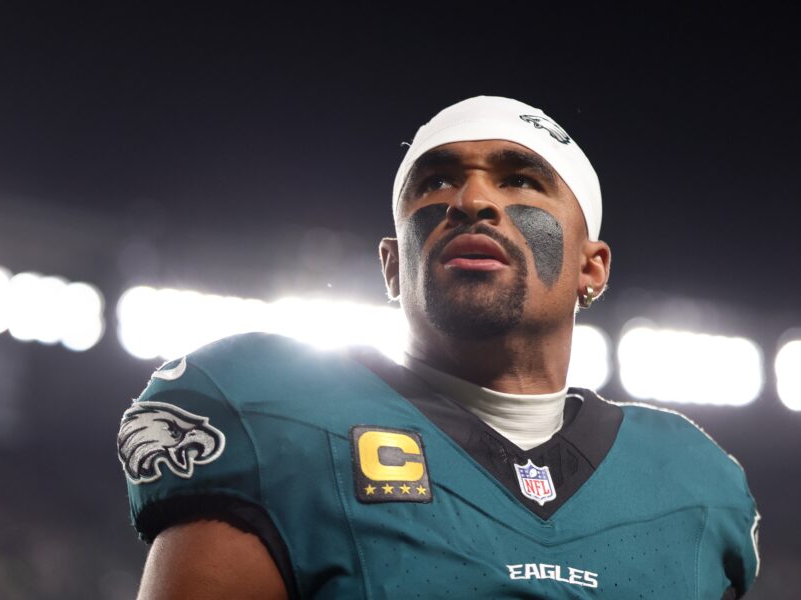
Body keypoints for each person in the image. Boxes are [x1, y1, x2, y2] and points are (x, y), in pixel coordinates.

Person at [117, 96, 760, 599]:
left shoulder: (693, 484)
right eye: (436, 183)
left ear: (592, 268)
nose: (472, 200)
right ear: (393, 267)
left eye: (522, 181)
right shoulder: (275, 417)